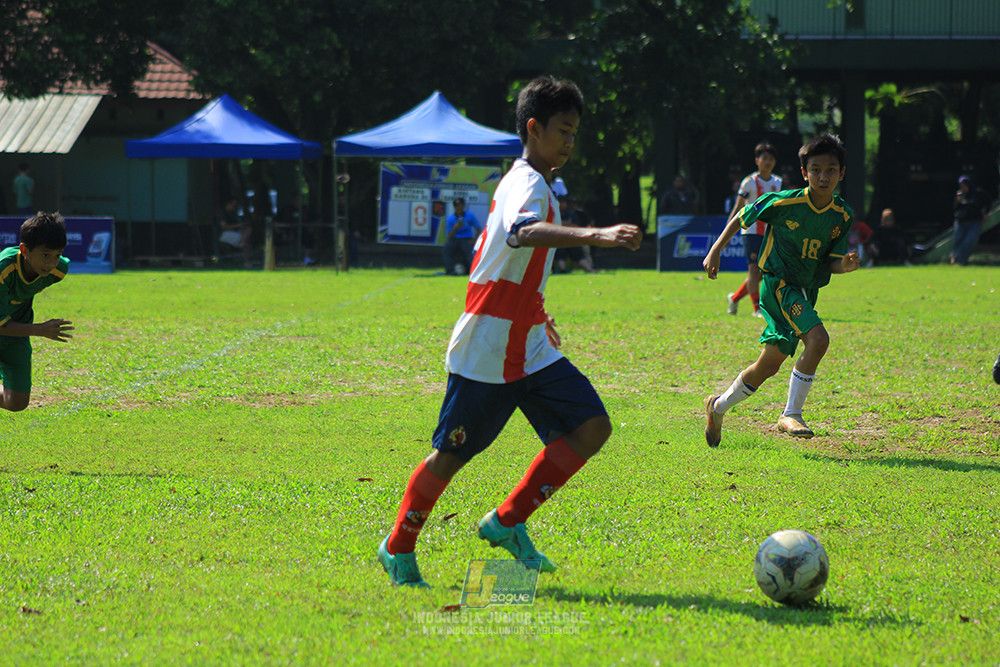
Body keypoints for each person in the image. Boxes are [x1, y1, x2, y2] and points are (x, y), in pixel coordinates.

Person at [377, 75, 643, 588]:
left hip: (529, 343)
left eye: (575, 132)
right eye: (562, 130)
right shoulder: (525, 183)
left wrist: (539, 313)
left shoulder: (541, 183)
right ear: (533, 128)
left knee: (592, 427)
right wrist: (599, 235)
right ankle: (398, 545)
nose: (569, 141)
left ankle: (508, 521)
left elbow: (507, 264)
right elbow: (521, 235)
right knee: (452, 456)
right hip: (488, 346)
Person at [701, 134, 860, 446]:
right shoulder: (784, 202)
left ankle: (717, 407)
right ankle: (791, 413)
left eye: (830, 169)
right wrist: (715, 250)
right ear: (804, 173)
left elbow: (832, 263)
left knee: (769, 365)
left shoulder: (842, 215)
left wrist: (846, 266)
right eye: (816, 169)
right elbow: (741, 217)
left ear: (841, 173)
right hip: (778, 285)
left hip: (805, 291)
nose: (823, 176)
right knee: (818, 339)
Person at [0, 212, 73, 412]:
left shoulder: (58, 271)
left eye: (56, 255)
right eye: (44, 255)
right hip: (9, 326)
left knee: (17, 403)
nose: (50, 263)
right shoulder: (3, 270)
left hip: (16, 334)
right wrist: (40, 329)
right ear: (24, 250)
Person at [725, 142, 782, 318]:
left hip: (769, 232)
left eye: (771, 159)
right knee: (754, 271)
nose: (768, 162)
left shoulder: (777, 182)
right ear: (757, 160)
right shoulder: (749, 182)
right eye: (764, 158)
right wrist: (727, 233)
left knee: (761, 274)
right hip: (750, 231)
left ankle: (734, 298)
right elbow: (738, 208)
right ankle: (757, 309)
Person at [554, 195, 596, 273]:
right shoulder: (554, 214)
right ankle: (562, 270)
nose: (561, 204)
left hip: (571, 238)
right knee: (560, 252)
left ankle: (590, 270)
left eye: (563, 202)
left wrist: (562, 224)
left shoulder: (571, 214)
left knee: (578, 252)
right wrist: (566, 224)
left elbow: (576, 227)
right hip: (558, 239)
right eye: (560, 202)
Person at [952, 175, 988, 266]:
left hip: (974, 221)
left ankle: (962, 260)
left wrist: (986, 212)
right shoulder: (960, 195)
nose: (963, 188)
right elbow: (955, 208)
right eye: (961, 186)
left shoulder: (978, 193)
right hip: (961, 221)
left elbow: (988, 201)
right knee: (957, 240)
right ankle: (957, 260)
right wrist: (959, 201)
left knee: (969, 241)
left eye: (964, 185)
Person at [441, 197, 481, 275]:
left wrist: (475, 240)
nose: (459, 207)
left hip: (466, 239)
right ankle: (450, 270)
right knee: (446, 250)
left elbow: (478, 229)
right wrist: (455, 228)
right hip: (455, 239)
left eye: (460, 205)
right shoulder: (451, 219)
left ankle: (472, 271)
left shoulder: (470, 216)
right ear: (454, 207)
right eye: (456, 205)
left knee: (470, 252)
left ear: (463, 205)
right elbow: (449, 235)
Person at [218, 196, 253, 268]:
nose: (235, 208)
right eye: (234, 206)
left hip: (236, 232)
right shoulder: (223, 213)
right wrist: (238, 225)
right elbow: (224, 226)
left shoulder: (233, 213)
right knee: (246, 243)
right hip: (226, 234)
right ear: (228, 204)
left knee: (248, 230)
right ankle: (247, 261)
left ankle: (242, 242)